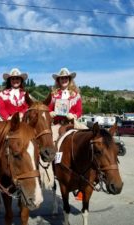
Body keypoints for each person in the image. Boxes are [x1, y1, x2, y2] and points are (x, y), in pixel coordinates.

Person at [47, 67, 84, 201]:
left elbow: (80, 111)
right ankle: (53, 171)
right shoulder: (53, 95)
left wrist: (73, 115)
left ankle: (87, 177)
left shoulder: (76, 95)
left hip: (72, 123)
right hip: (58, 124)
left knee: (88, 139)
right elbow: (48, 109)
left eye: (66, 78)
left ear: (69, 80)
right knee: (50, 143)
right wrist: (50, 113)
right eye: (61, 78)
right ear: (58, 80)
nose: (64, 80)